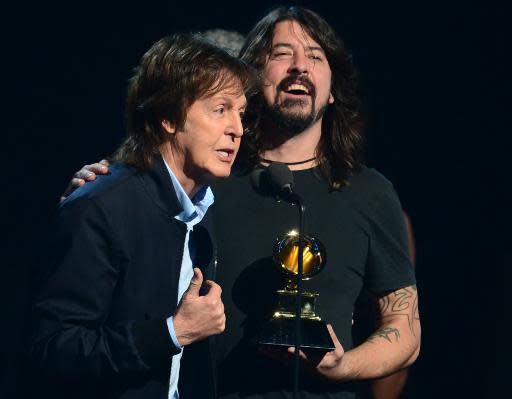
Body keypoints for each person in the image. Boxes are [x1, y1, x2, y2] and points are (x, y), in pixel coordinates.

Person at [62, 6, 421, 399]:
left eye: (316, 56)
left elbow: (405, 326)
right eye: (282, 54)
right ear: (252, 75)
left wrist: (342, 365)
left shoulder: (370, 192)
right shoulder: (206, 176)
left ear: (334, 88)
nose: (299, 66)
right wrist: (100, 183)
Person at [29, 33, 252, 399]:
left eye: (240, 113)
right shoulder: (98, 207)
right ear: (167, 116)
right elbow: (52, 349)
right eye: (220, 109)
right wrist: (170, 333)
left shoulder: (202, 210)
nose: (237, 129)